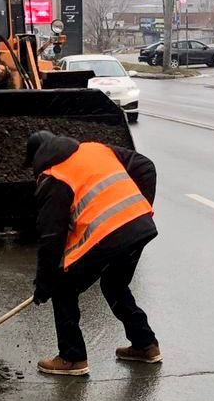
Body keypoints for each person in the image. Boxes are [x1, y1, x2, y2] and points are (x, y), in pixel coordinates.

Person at [27, 130, 161, 376]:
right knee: (115, 284)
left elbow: (51, 239)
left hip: (111, 233)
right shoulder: (95, 148)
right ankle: (145, 344)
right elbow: (145, 166)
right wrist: (139, 207)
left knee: (63, 287)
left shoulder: (53, 177)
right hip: (139, 225)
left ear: (38, 158)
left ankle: (72, 358)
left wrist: (45, 284)